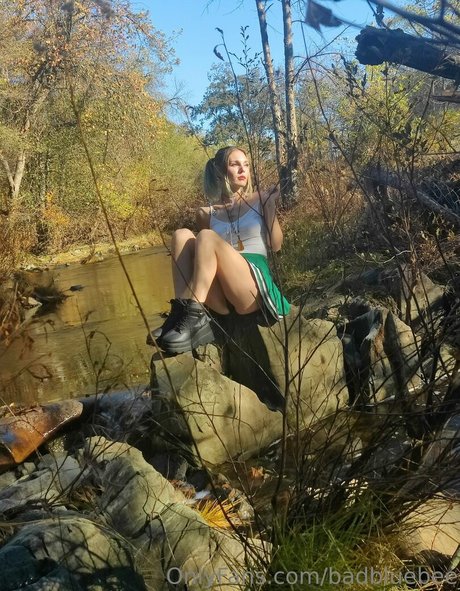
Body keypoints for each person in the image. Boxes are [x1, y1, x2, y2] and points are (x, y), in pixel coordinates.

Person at [147, 145, 290, 354]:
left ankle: (194, 319)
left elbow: (276, 245)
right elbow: (203, 260)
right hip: (221, 298)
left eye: (246, 165)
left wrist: (270, 206)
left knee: (206, 237)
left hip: (251, 288)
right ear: (220, 171)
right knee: (181, 235)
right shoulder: (206, 213)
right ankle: (180, 315)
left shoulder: (261, 199)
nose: (242, 169)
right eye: (234, 164)